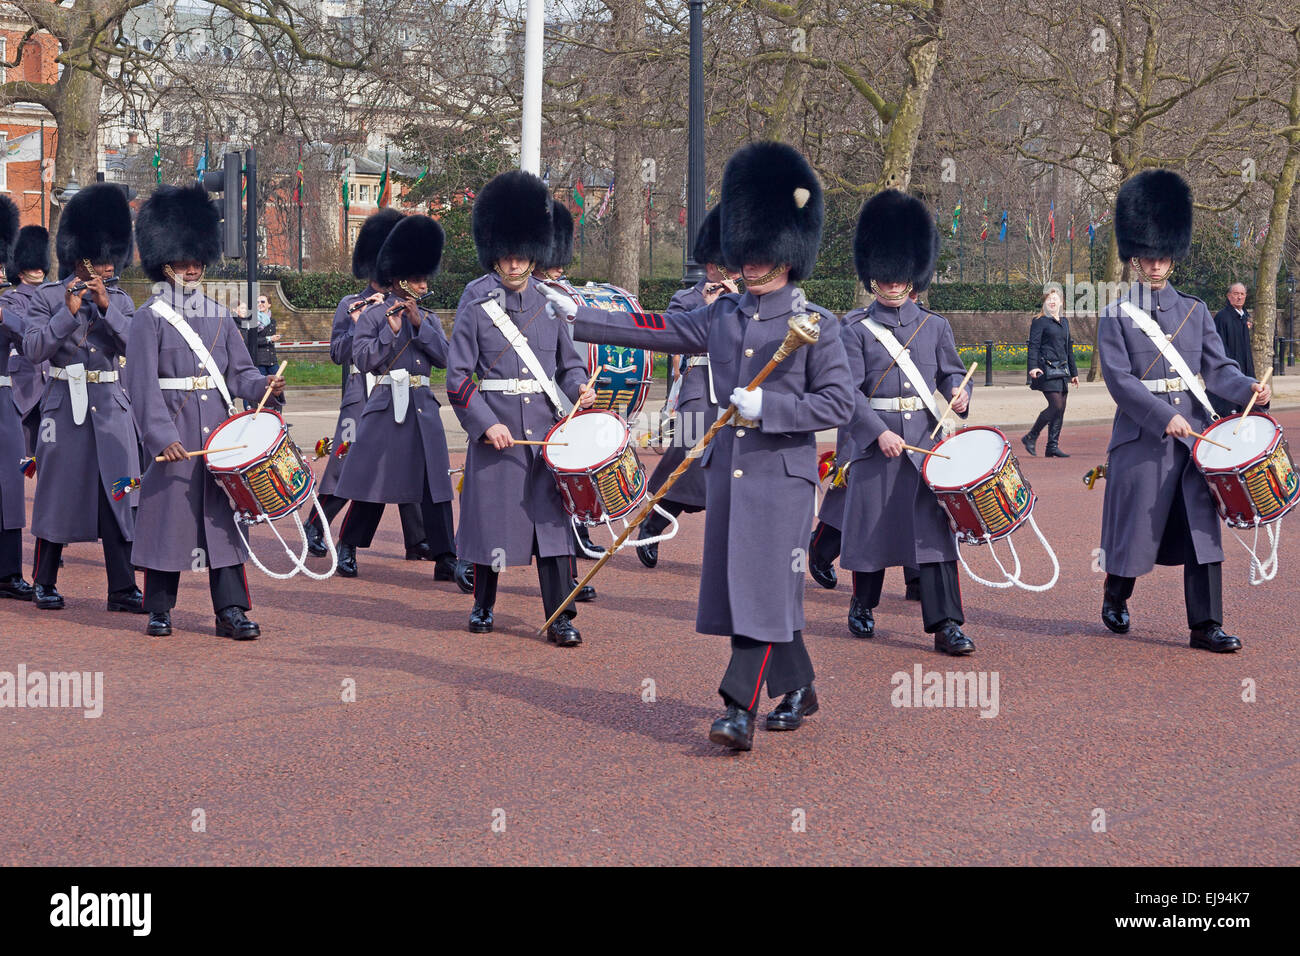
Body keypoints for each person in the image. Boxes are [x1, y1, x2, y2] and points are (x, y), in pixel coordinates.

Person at [547, 142, 853, 750]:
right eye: (745, 252)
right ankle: (798, 686)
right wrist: (576, 314)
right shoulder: (725, 315)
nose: (748, 264)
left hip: (783, 477)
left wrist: (774, 409)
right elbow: (658, 330)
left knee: (763, 585)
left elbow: (839, 406)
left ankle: (737, 707)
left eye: (761, 253)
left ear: (787, 256)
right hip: (733, 472)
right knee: (755, 585)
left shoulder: (820, 323)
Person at [1097, 169, 1269, 653]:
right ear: (1135, 258)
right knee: (1135, 532)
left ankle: (1206, 625)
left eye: (1163, 256)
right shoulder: (1117, 315)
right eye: (1147, 257)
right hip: (1143, 440)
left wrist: (1248, 387)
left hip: (1194, 439)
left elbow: (1219, 371)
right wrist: (1159, 415)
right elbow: (1120, 381)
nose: (1155, 265)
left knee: (1201, 532)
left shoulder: (1194, 310)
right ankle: (1116, 592)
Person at [124, 183, 285, 639]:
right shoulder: (148, 317)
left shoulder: (217, 315)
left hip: (217, 436)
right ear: (165, 262)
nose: (192, 269)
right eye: (183, 261)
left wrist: (266, 387)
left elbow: (241, 373)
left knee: (225, 521)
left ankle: (230, 610)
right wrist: (159, 436)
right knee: (166, 522)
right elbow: (140, 386)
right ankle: (159, 608)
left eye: (197, 261)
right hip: (174, 434)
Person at [446, 170, 597, 645]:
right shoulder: (476, 304)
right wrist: (485, 425)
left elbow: (569, 368)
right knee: (493, 523)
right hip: (499, 433)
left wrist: (579, 392)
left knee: (553, 529)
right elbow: (457, 378)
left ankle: (561, 618)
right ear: (495, 252)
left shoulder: (552, 305)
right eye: (506, 255)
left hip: (545, 432)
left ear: (535, 253)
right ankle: (483, 605)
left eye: (522, 255)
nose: (514, 264)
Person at [837, 190, 974, 655]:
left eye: (901, 277)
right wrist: (877, 432)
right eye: (886, 277)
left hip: (924, 443)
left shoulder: (935, 326)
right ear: (874, 277)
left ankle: (946, 624)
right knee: (874, 533)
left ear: (913, 276)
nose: (894, 285)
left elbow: (952, 371)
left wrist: (961, 394)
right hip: (878, 448)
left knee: (934, 536)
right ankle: (862, 603)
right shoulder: (854, 329)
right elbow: (846, 393)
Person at [303, 209, 469, 586]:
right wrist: (390, 330)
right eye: (417, 278)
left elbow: (445, 358)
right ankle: (347, 543)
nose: (424, 285)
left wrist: (417, 324)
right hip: (382, 404)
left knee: (435, 484)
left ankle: (445, 556)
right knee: (373, 481)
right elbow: (362, 359)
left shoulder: (426, 317)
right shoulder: (372, 314)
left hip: (422, 406)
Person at [21, 182, 143, 613]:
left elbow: (135, 349)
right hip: (63, 406)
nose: (108, 268)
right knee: (57, 496)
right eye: (101, 261)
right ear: (80, 257)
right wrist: (67, 312)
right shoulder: (47, 298)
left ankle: (123, 587)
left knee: (119, 495)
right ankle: (44, 581)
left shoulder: (123, 300)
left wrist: (107, 306)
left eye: (113, 261)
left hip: (110, 406)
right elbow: (34, 349)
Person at [633, 206, 738, 569]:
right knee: (688, 456)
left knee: (734, 465)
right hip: (700, 385)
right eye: (722, 266)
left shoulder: (746, 298)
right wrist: (708, 310)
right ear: (709, 265)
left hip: (737, 390)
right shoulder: (687, 300)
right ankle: (654, 520)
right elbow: (675, 342)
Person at [533, 198, 603, 585]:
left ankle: (569, 577)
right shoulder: (494, 299)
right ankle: (470, 562)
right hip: (517, 409)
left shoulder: (558, 297)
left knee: (565, 488)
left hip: (559, 405)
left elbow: (568, 358)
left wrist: (578, 385)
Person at [0, 197, 34, 601]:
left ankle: (8, 572)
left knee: (9, 490)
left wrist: (6, 318)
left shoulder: (7, 303)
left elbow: (33, 341)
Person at [6, 224, 52, 456]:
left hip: (51, 386)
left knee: (49, 452)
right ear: (21, 271)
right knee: (22, 456)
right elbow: (26, 331)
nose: (38, 270)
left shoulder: (53, 296)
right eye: (32, 266)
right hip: (25, 384)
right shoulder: (11, 300)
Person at [1021, 286, 1079, 458]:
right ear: (1045, 303)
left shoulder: (1065, 322)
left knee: (1061, 409)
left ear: (1061, 302)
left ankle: (1052, 446)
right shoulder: (1040, 321)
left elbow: (1068, 348)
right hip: (1045, 370)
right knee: (1056, 405)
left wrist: (1074, 373)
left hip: (1062, 371)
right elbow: (1033, 346)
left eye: (1055, 299)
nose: (1052, 302)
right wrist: (1032, 367)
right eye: (1049, 299)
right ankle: (1031, 436)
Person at [1209, 282, 1255, 415]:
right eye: (1236, 294)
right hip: (1231, 369)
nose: (1239, 297)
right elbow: (1219, 345)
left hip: (1246, 367)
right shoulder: (1222, 317)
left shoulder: (1244, 316)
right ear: (1229, 296)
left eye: (1242, 294)